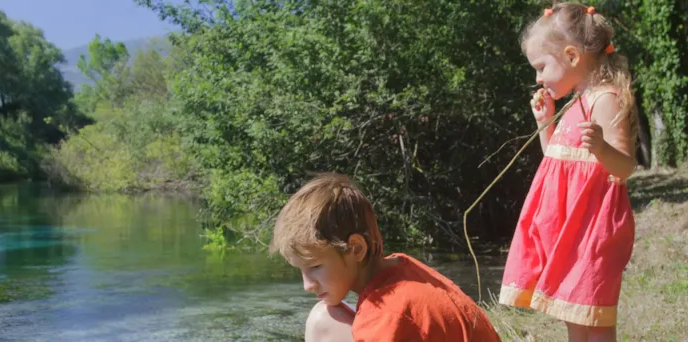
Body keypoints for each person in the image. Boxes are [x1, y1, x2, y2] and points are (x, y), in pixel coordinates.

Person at [498, 2, 639, 342]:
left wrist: (603, 149)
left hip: (593, 230)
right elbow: (556, 160)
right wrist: (545, 122)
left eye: (541, 66)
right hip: (571, 231)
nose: (538, 77)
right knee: (575, 316)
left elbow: (626, 166)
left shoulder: (604, 99)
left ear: (573, 56)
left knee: (595, 319)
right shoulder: (576, 102)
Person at [269, 173, 501, 342]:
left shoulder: (386, 314)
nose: (307, 285)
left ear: (356, 249)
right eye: (301, 270)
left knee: (323, 322)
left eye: (315, 266)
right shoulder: (402, 268)